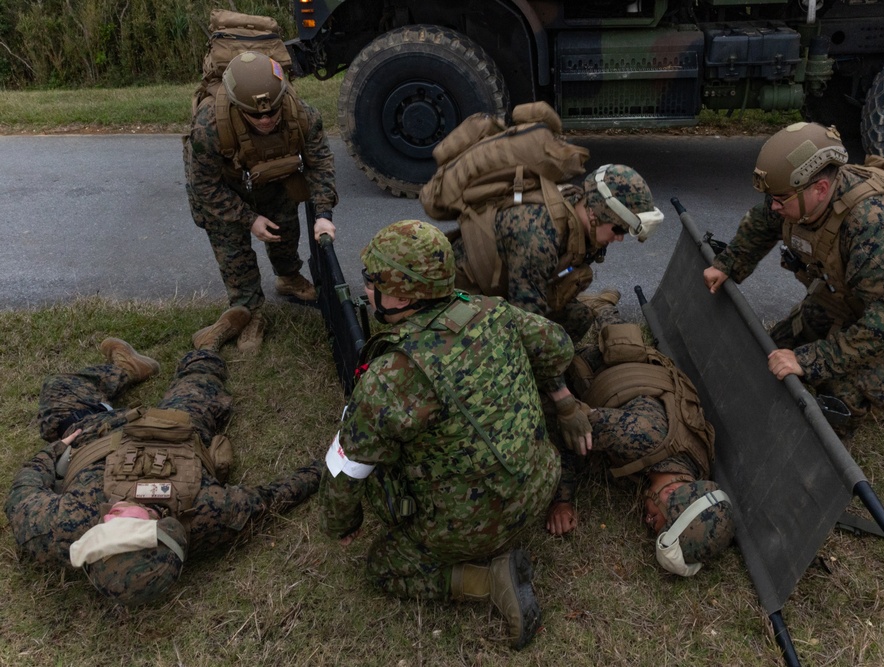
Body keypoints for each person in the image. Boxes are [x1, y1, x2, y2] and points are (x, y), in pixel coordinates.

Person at [319, 219, 588, 650]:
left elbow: (346, 468)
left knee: (381, 568)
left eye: (373, 281)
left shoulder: (391, 378)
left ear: (403, 294)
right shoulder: (492, 311)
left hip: (472, 527)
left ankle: (487, 580)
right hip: (539, 484)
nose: (365, 289)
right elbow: (557, 345)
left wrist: (342, 523)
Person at [4, 309, 322, 606]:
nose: (113, 515)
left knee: (57, 393)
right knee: (200, 377)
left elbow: (22, 493)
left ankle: (125, 367)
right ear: (164, 526)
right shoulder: (207, 513)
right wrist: (336, 463)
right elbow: (273, 497)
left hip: (96, 430)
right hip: (175, 427)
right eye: (129, 524)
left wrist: (56, 449)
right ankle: (209, 341)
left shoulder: (57, 526)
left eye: (105, 528)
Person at [703, 122, 884, 435]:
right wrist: (728, 264)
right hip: (866, 289)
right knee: (772, 352)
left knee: (840, 396)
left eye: (780, 199)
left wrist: (811, 359)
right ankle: (877, 368)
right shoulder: (799, 192)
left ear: (820, 189)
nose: (773, 206)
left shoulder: (872, 226)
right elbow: (764, 220)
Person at [545, 294, 735, 577]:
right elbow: (568, 426)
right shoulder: (638, 438)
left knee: (623, 345)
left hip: (643, 373)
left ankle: (606, 309)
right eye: (655, 520)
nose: (647, 519)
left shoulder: (695, 468)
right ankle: (594, 308)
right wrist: (562, 500)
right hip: (603, 368)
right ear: (670, 492)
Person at [185, 50, 339, 352]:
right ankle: (248, 311)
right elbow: (203, 185)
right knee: (233, 252)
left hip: (272, 181)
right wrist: (248, 218)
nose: (266, 119)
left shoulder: (304, 116)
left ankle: (288, 276)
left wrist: (323, 214)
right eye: (255, 115)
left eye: (272, 111)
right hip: (224, 191)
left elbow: (320, 164)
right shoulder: (209, 128)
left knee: (284, 232)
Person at [450, 163, 664, 342]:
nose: (619, 238)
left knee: (578, 318)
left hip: (512, 288)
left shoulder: (577, 207)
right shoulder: (539, 236)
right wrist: (557, 388)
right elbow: (526, 324)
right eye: (618, 229)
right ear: (594, 215)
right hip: (463, 300)